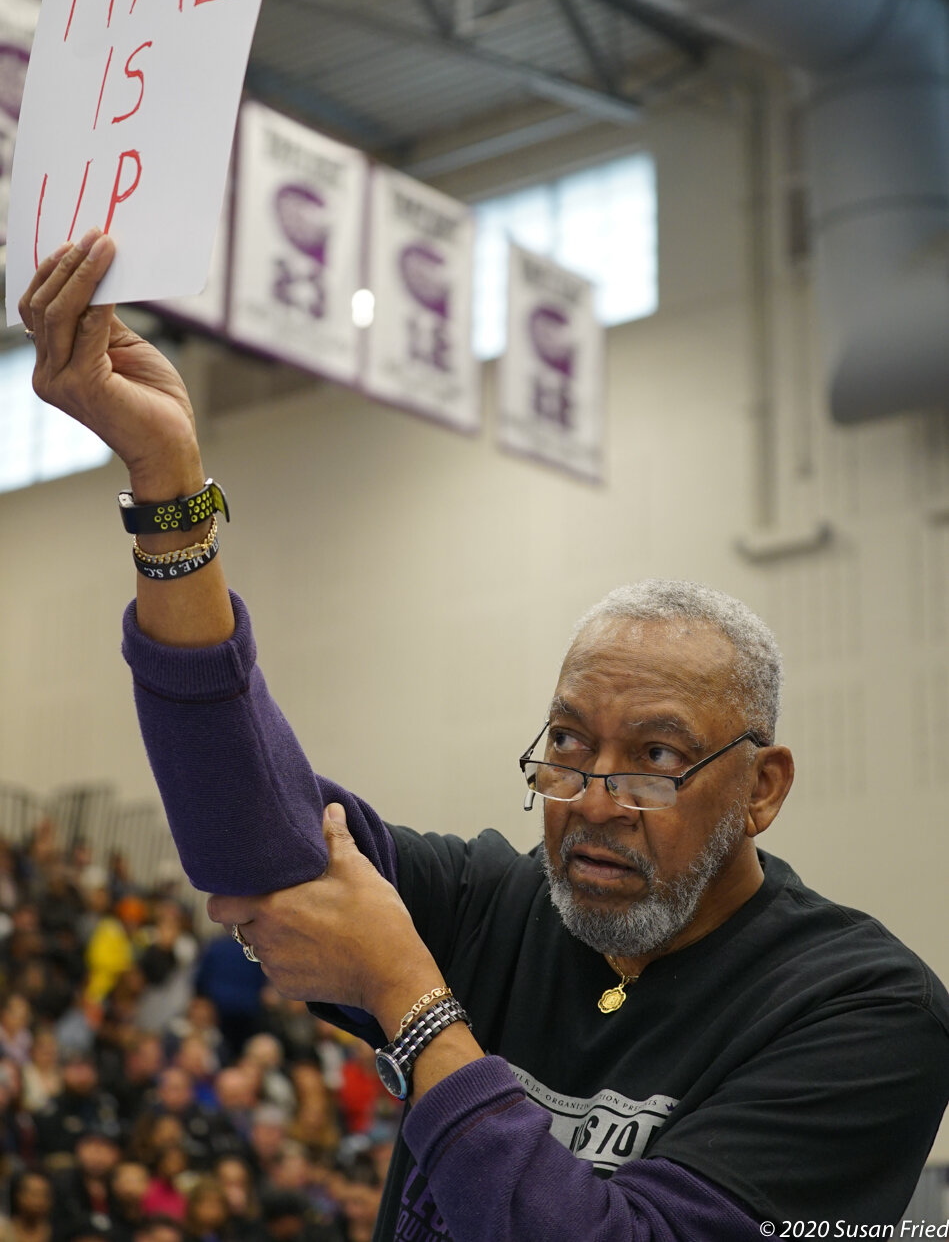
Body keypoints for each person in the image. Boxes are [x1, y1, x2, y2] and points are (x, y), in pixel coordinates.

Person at [18, 235, 949, 1238]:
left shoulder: (864, 1012)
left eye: (657, 757)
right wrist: (168, 486)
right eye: (566, 742)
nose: (593, 796)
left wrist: (411, 998)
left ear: (762, 786)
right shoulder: (492, 907)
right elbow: (250, 834)